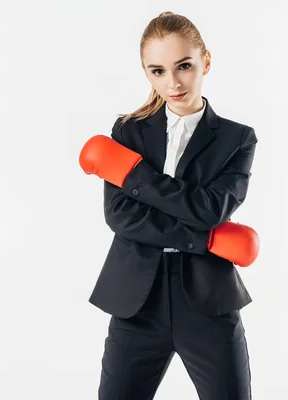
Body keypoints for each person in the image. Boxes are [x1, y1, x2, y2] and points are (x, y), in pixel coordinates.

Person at [79, 11, 259, 400]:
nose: (173, 82)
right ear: (146, 72)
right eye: (157, 71)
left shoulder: (237, 139)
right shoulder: (127, 131)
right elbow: (121, 215)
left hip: (208, 303)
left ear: (205, 61)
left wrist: (135, 177)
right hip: (136, 300)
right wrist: (206, 240)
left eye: (184, 66)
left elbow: (213, 209)